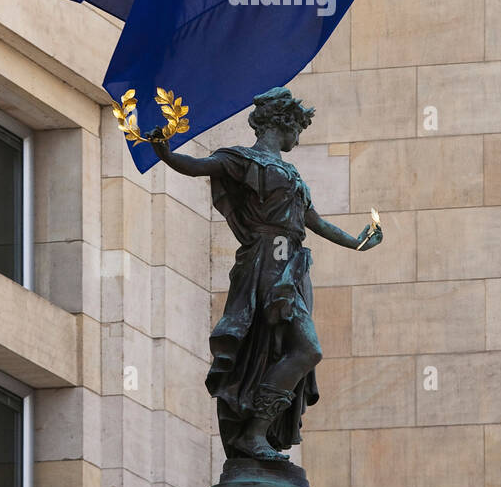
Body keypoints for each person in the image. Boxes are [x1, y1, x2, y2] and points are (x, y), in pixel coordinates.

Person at [150, 86, 383, 462]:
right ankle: (254, 432)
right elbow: (192, 166)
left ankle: (258, 431)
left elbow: (316, 223)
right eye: (298, 129)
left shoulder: (291, 175)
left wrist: (358, 242)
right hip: (264, 264)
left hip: (291, 266)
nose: (298, 138)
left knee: (291, 349)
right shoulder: (241, 160)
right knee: (306, 349)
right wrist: (161, 148)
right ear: (284, 123)